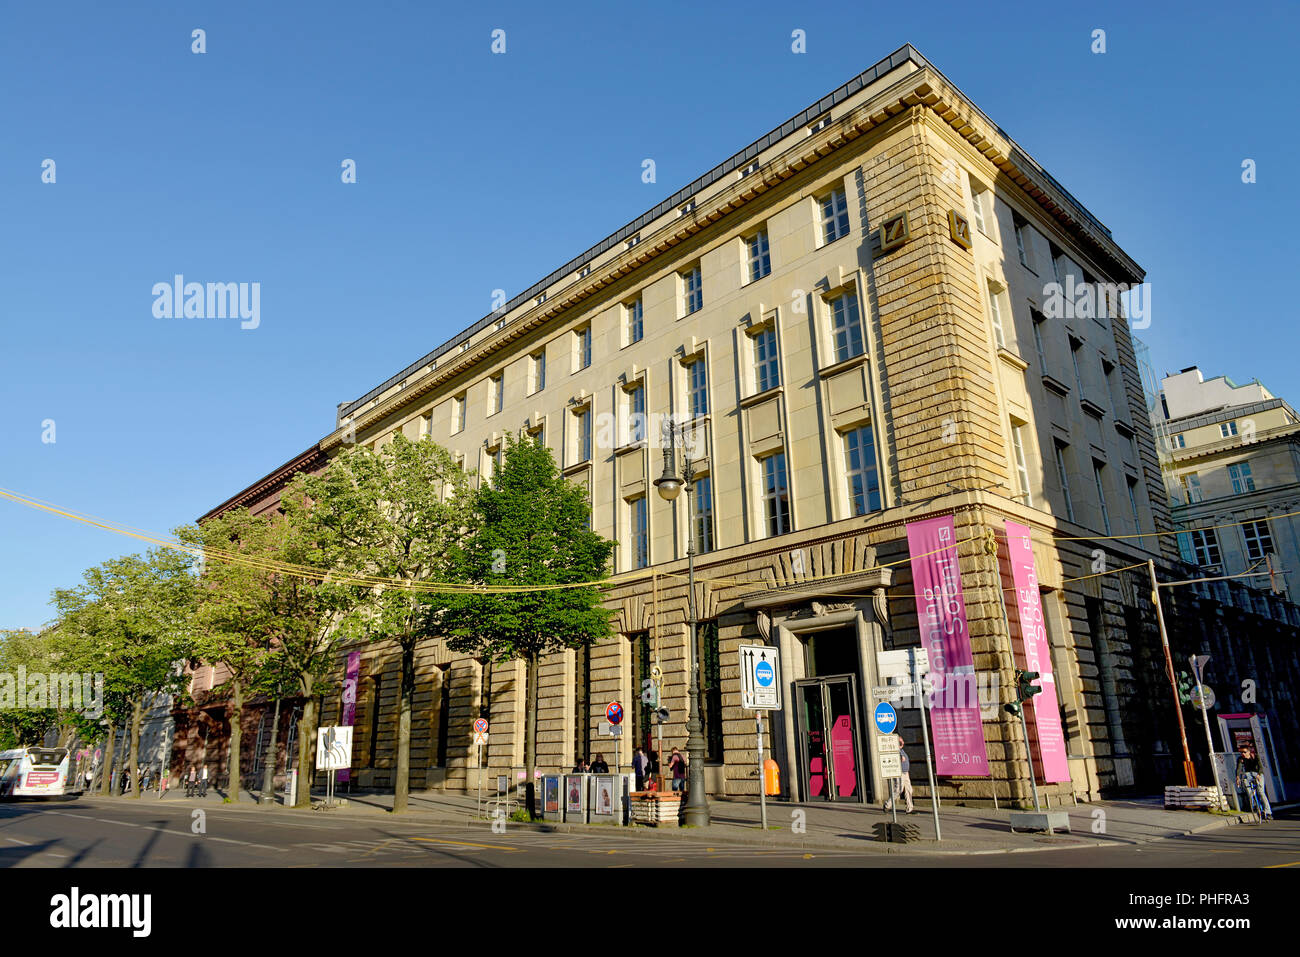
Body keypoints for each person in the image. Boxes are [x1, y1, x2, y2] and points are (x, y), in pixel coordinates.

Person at [1236, 746, 1273, 820]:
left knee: (1261, 792)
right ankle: (1256, 807)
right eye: (1241, 752)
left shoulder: (1255, 757)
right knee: (1250, 793)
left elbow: (1260, 767)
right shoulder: (1240, 759)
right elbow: (1238, 769)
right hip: (1247, 775)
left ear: (1249, 752)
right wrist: (1238, 777)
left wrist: (1259, 774)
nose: (1243, 754)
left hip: (1257, 774)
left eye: (1245, 752)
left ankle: (1268, 812)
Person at [883, 734, 914, 813]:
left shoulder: (902, 751)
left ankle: (909, 808)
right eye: (900, 741)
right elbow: (894, 760)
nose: (902, 742)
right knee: (898, 790)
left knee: (909, 790)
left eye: (902, 741)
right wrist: (900, 759)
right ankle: (887, 805)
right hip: (899, 773)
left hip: (905, 773)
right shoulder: (895, 751)